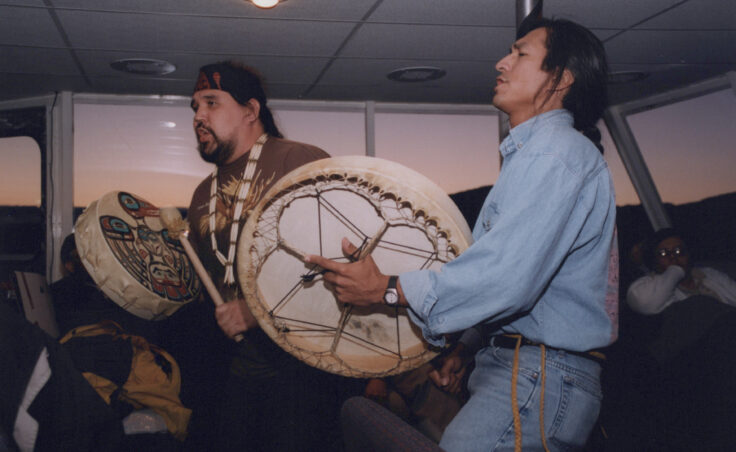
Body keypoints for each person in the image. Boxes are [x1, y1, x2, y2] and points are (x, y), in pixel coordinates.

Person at [308, 17, 618, 451]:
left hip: (538, 376)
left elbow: (507, 279)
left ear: (562, 78)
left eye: (520, 53)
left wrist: (386, 289)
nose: (502, 62)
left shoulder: (555, 154)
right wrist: (467, 348)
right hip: (525, 371)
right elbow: (530, 290)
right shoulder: (539, 157)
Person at [166, 61, 347, 451]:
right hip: (234, 373)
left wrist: (253, 312)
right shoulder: (202, 195)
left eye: (211, 103)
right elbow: (207, 280)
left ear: (250, 111)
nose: (198, 116)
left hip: (305, 371)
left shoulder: (299, 161)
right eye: (195, 107)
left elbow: (336, 261)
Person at [627, 227, 736, 314]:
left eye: (679, 251)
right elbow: (645, 303)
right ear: (654, 259)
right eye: (663, 253)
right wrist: (676, 270)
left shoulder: (709, 275)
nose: (673, 257)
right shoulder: (648, 288)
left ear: (688, 253)